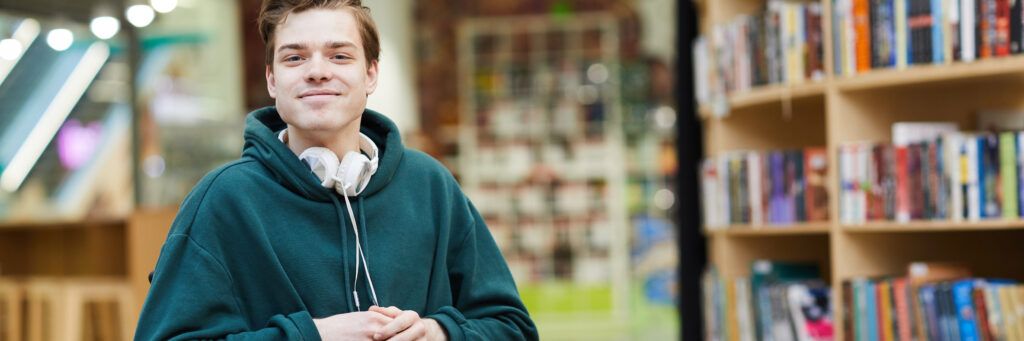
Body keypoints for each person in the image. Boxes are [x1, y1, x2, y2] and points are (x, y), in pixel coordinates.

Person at [134, 0, 537, 340]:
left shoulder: (431, 187)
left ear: (371, 74)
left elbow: (513, 327)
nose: (317, 71)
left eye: (340, 55)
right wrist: (315, 335)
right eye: (295, 57)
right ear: (272, 80)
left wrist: (441, 333)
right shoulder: (221, 201)